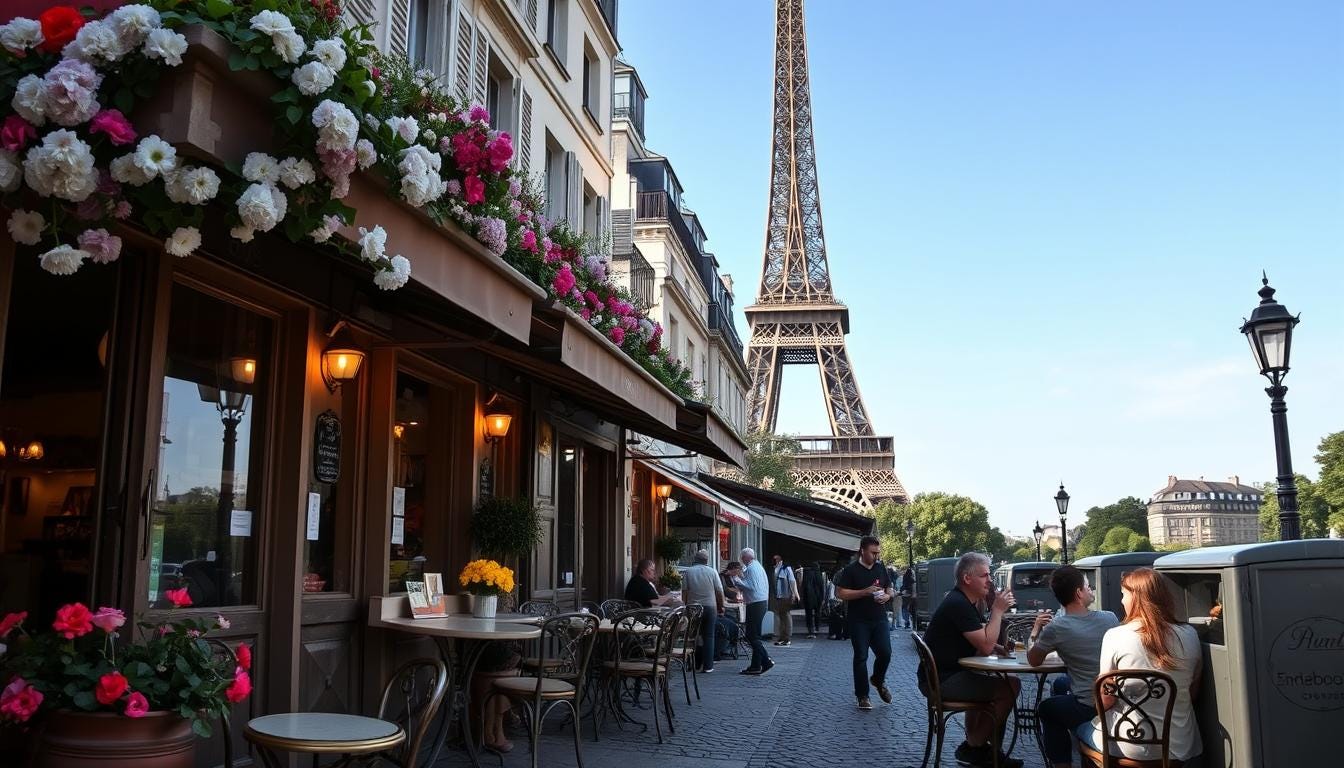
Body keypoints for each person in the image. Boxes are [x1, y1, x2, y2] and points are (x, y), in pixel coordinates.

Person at [1080, 568, 1203, 764]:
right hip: (1179, 744)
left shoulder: (1115, 636)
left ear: (1135, 598)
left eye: (1124, 595)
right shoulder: (1190, 634)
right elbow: (1192, 693)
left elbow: (1105, 701)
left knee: (1081, 730)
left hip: (1129, 742)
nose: (1122, 601)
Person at [920, 552, 1023, 768]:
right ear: (968, 578)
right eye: (985, 575)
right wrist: (997, 610)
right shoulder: (959, 604)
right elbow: (984, 647)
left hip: (944, 675)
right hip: (941, 681)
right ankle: (974, 745)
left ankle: (990, 754)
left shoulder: (963, 602)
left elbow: (977, 638)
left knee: (996, 678)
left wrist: (1000, 648)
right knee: (1010, 686)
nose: (990, 580)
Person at [1027, 565, 1120, 768]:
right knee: (1061, 684)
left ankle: (1063, 762)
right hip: (1115, 697)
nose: (1091, 591)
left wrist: (1035, 630)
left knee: (1047, 708)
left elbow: (1033, 659)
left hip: (1090, 704)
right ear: (1079, 593)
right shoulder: (1110, 618)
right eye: (1088, 587)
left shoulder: (1056, 628)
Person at [831, 536, 895, 710]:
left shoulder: (881, 568)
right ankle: (862, 696)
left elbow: (890, 587)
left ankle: (878, 679)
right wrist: (864, 592)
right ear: (862, 551)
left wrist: (888, 596)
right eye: (873, 553)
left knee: (885, 653)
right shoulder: (851, 570)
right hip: (858, 620)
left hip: (879, 618)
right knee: (861, 657)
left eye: (878, 553)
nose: (876, 556)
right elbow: (841, 593)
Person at [681, 549, 725, 672]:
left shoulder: (688, 572)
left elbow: (684, 592)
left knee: (694, 636)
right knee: (709, 636)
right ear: (707, 560)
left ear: (695, 559)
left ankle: (694, 664)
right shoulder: (712, 572)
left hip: (693, 607)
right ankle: (708, 666)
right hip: (710, 607)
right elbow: (719, 591)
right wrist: (721, 606)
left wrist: (685, 607)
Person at [737, 548, 773, 675]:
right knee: (754, 635)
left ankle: (765, 661)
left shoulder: (752, 568)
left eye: (742, 558)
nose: (741, 560)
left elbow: (751, 586)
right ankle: (757, 664)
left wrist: (736, 580)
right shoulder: (757, 567)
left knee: (752, 635)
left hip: (755, 603)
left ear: (747, 558)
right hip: (759, 602)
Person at [771, 554, 800, 646]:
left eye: (776, 559)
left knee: (786, 616)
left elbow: (792, 581)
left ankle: (787, 637)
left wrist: (796, 594)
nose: (775, 561)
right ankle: (781, 637)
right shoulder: (775, 569)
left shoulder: (786, 568)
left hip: (786, 595)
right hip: (778, 596)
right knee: (780, 616)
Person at [800, 561, 827, 638]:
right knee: (817, 613)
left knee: (809, 614)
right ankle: (817, 628)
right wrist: (822, 598)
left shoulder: (807, 574)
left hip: (808, 597)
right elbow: (822, 587)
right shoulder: (819, 574)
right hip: (818, 597)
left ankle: (810, 629)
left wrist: (803, 597)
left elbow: (804, 587)